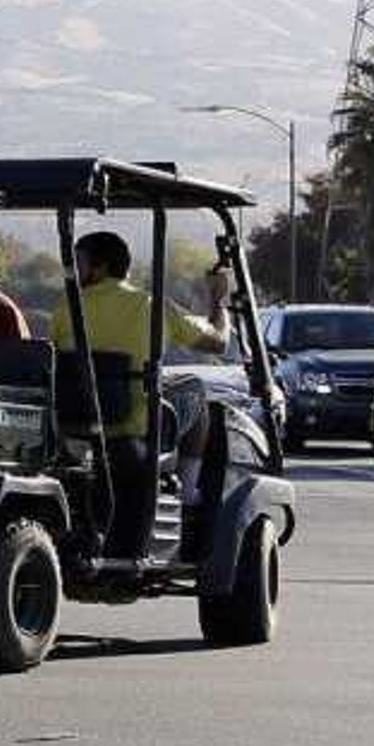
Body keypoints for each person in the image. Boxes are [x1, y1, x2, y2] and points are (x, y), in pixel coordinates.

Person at [44, 229, 223, 554]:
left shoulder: (65, 308)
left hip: (77, 425)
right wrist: (219, 301)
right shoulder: (152, 305)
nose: (72, 271)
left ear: (101, 267)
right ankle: (189, 492)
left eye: (78, 263)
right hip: (134, 430)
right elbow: (218, 342)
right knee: (195, 390)